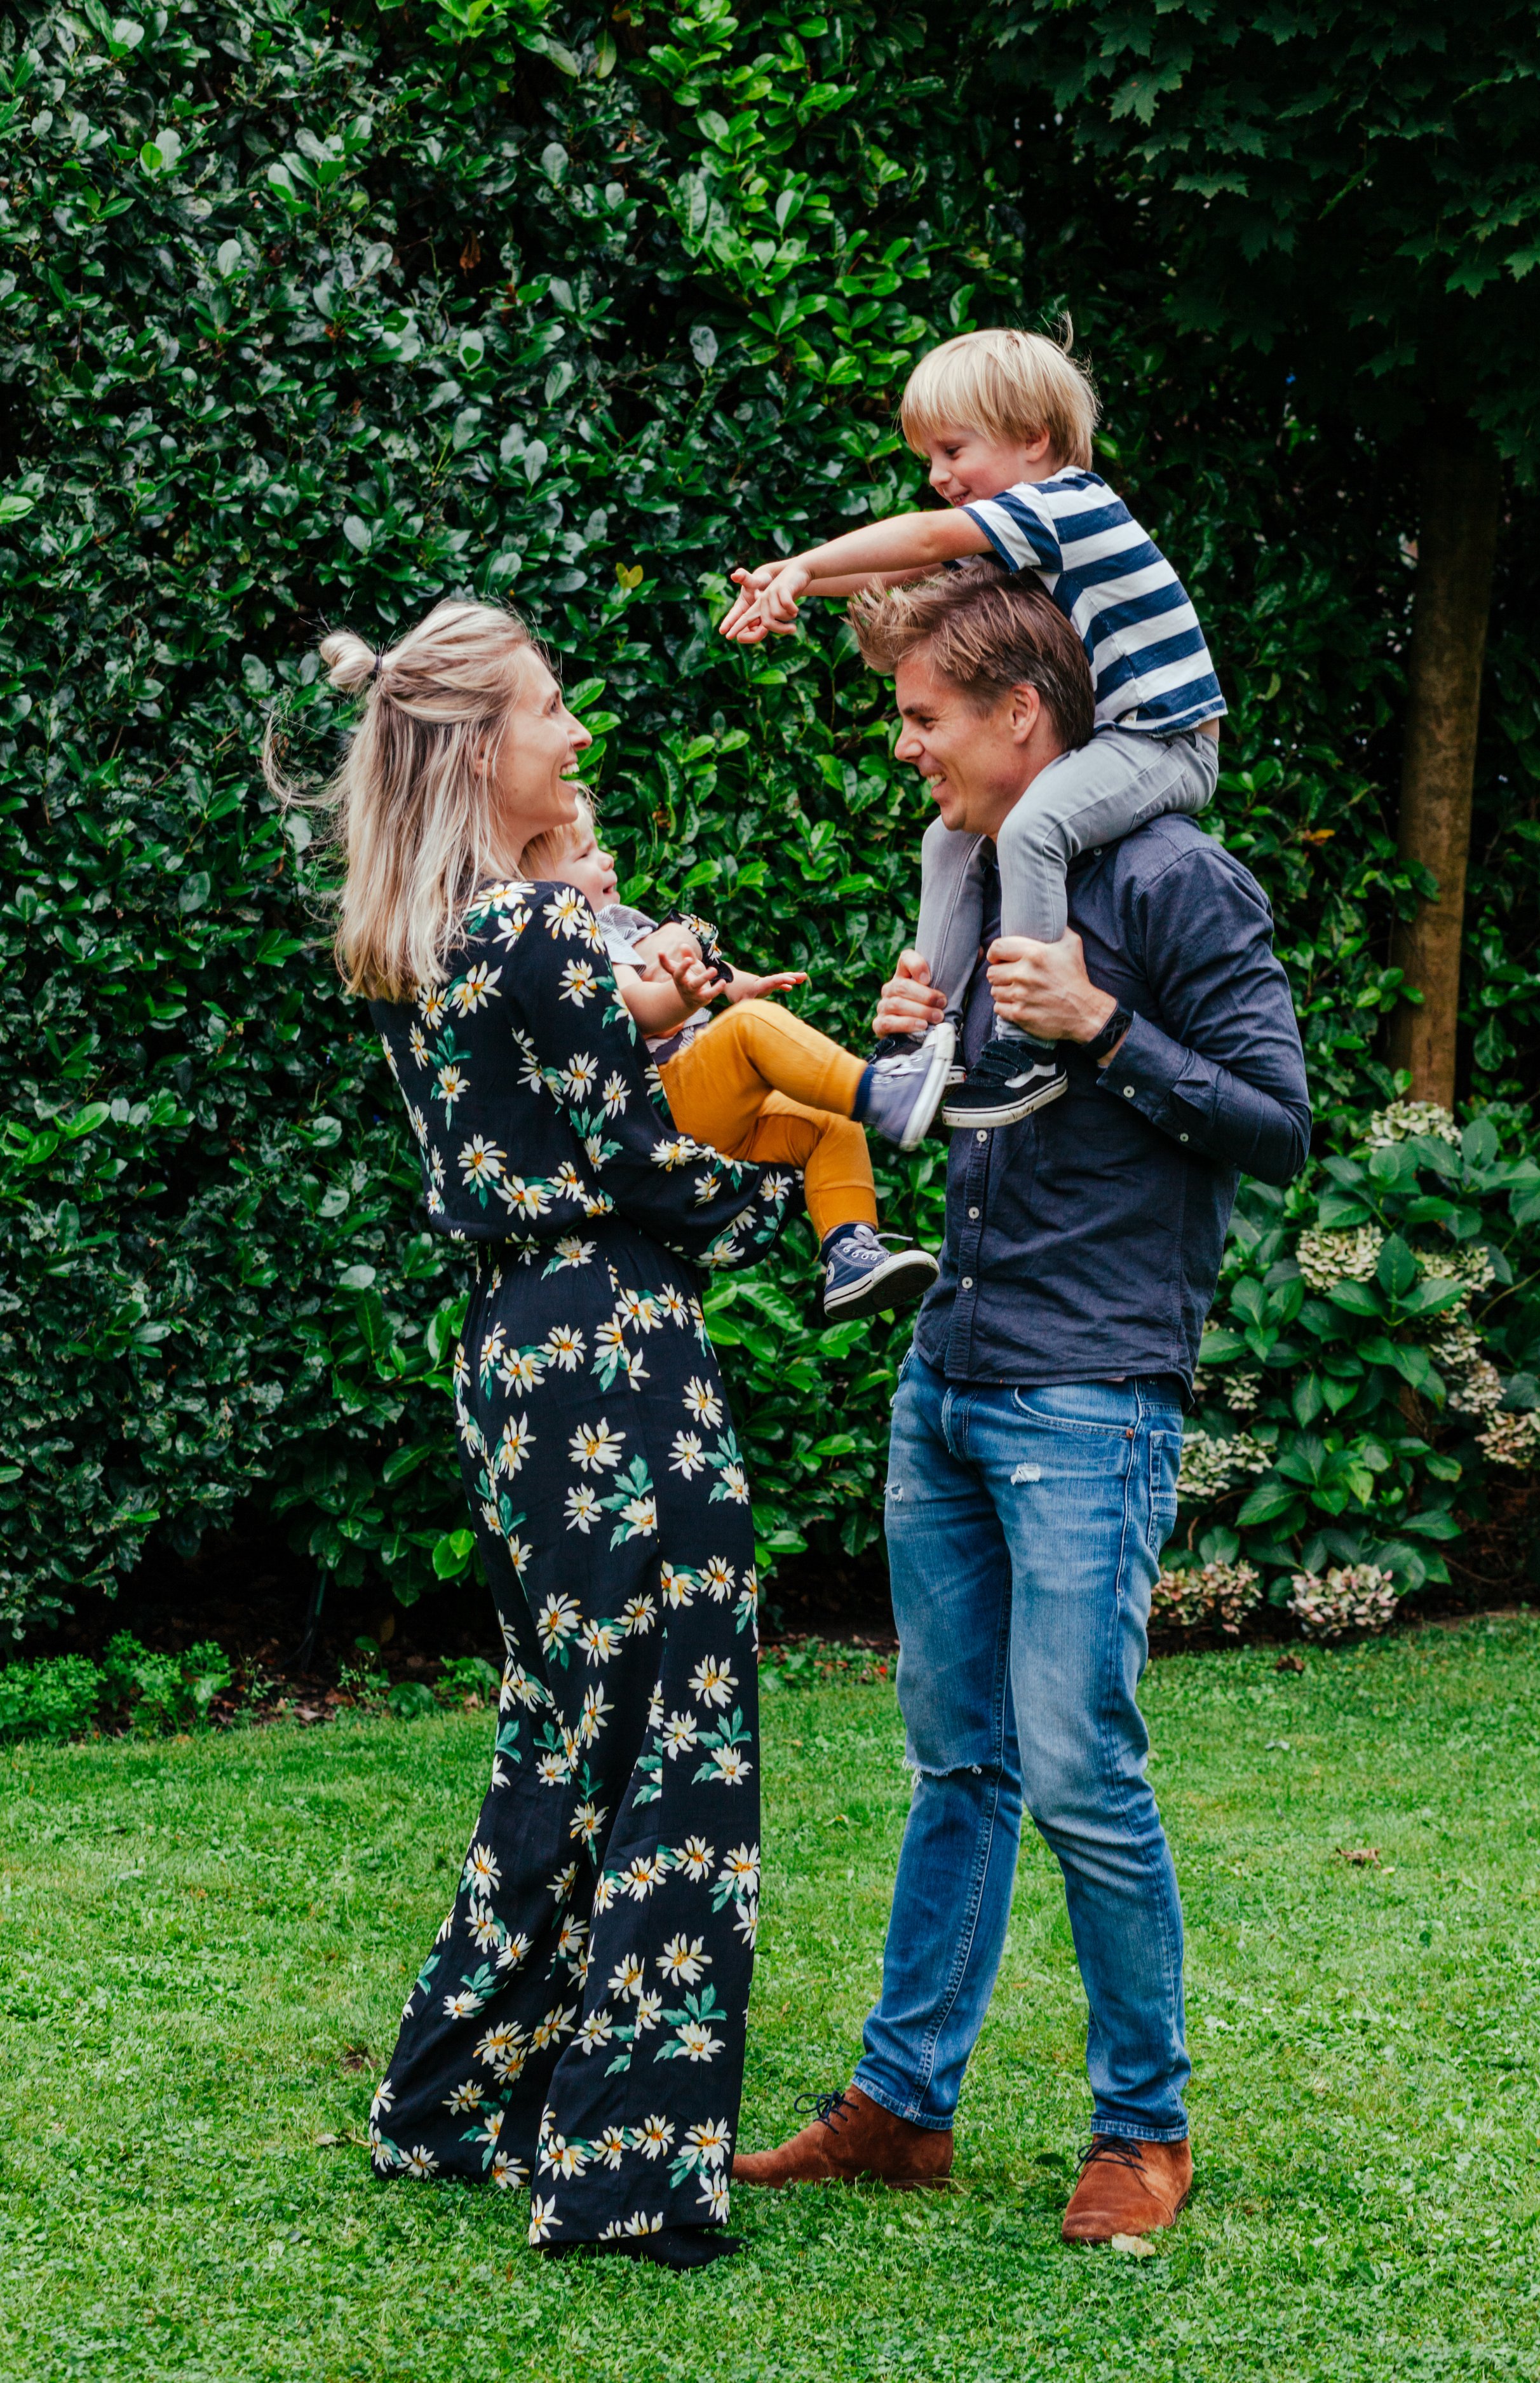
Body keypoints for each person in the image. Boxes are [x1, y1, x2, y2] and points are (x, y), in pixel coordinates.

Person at [731, 568, 1311, 2244]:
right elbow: (943, 1112)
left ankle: (1142, 2128)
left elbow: (1276, 1126)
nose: (907, 750)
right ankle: (904, 2105)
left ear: (1022, 717)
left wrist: (1105, 1023)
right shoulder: (977, 876)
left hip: (1088, 1389)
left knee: (1074, 1761)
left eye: (924, 718)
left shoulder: (1175, 878)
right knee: (956, 1760)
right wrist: (909, 1041)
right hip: (953, 1374)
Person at [268, 599, 797, 2270]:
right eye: (549, 709)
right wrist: (805, 1162)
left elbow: (568, 1117)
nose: (573, 734)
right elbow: (654, 1168)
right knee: (674, 1743)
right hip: (614, 1354)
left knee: (565, 1738)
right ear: (477, 746)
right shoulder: (547, 939)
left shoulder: (439, 935)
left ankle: (448, 2100)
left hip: (515, 1352)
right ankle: (625, 2170)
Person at [719, 326, 1225, 1134]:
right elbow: (902, 567)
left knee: (1031, 828)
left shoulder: (1074, 505)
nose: (937, 476)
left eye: (953, 451)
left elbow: (921, 538)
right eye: (928, 457)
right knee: (945, 842)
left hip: (1166, 743)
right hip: (1116, 741)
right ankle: (930, 1040)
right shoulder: (1030, 531)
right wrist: (790, 587)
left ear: (1035, 439)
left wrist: (804, 561)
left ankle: (1023, 1045)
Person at [542, 794, 950, 1321]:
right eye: (584, 856)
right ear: (543, 885)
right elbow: (642, 1006)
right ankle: (887, 1094)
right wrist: (685, 999)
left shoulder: (618, 923)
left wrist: (738, 983)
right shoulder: (581, 937)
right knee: (749, 1031)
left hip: (715, 1119)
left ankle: (851, 1250)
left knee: (829, 1116)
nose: (607, 861)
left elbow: (703, 972)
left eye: (600, 848)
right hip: (662, 1111)